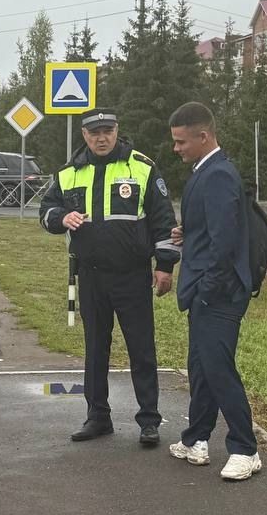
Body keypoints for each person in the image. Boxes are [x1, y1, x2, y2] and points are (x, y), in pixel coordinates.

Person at [39, 107, 180, 446]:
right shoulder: (68, 173)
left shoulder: (141, 167)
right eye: (94, 132)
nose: (101, 138)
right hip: (91, 277)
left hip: (132, 276)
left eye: (107, 131)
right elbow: (45, 212)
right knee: (95, 350)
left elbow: (163, 220)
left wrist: (164, 266)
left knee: (141, 349)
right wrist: (61, 217)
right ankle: (98, 417)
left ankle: (149, 421)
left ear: (117, 131)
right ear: (84, 135)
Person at [166, 102, 261, 481]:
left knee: (219, 369)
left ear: (203, 136)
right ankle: (196, 439)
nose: (176, 148)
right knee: (201, 367)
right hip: (207, 289)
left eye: (181, 141)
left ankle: (245, 448)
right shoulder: (205, 172)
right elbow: (214, 231)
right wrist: (188, 235)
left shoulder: (219, 175)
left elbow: (224, 246)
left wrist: (206, 290)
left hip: (219, 293)